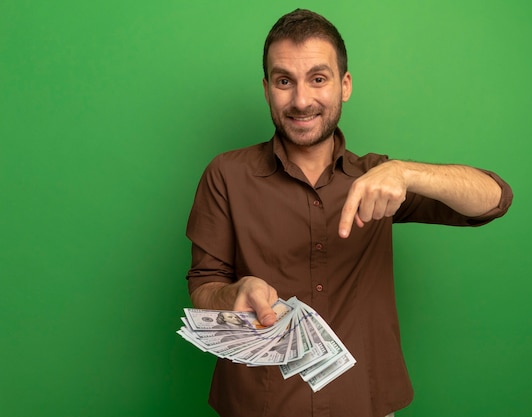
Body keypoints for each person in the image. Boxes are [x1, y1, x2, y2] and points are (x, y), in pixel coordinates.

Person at [185, 8, 513, 417]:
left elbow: (494, 198)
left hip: (366, 402)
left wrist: (406, 172)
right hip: (261, 405)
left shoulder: (381, 179)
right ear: (267, 88)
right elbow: (203, 286)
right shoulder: (227, 175)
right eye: (284, 81)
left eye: (318, 79)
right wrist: (234, 292)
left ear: (345, 85)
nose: (301, 100)